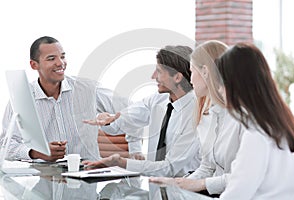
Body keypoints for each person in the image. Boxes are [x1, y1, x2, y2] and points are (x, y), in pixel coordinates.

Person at [1, 36, 142, 162]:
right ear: (34, 65)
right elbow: (5, 146)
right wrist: (36, 153)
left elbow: (135, 111)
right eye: (51, 58)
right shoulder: (21, 99)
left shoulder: (87, 89)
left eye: (62, 57)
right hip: (43, 179)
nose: (60, 63)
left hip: (87, 178)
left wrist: (135, 150)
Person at [83, 45, 201, 177]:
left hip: (184, 191)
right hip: (154, 189)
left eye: (159, 71)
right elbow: (122, 123)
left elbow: (169, 168)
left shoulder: (196, 113)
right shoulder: (157, 100)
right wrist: (106, 120)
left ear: (177, 78)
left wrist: (119, 162)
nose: (153, 76)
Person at [150, 40, 244, 197]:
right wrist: (179, 185)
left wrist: (198, 184)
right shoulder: (208, 115)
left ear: (205, 72)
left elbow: (243, 176)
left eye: (192, 71)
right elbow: (207, 167)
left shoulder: (241, 118)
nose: (190, 79)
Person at [215, 43, 294, 199]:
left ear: (236, 84)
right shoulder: (284, 125)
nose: (219, 89)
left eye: (221, 82)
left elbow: (236, 195)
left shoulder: (256, 134)